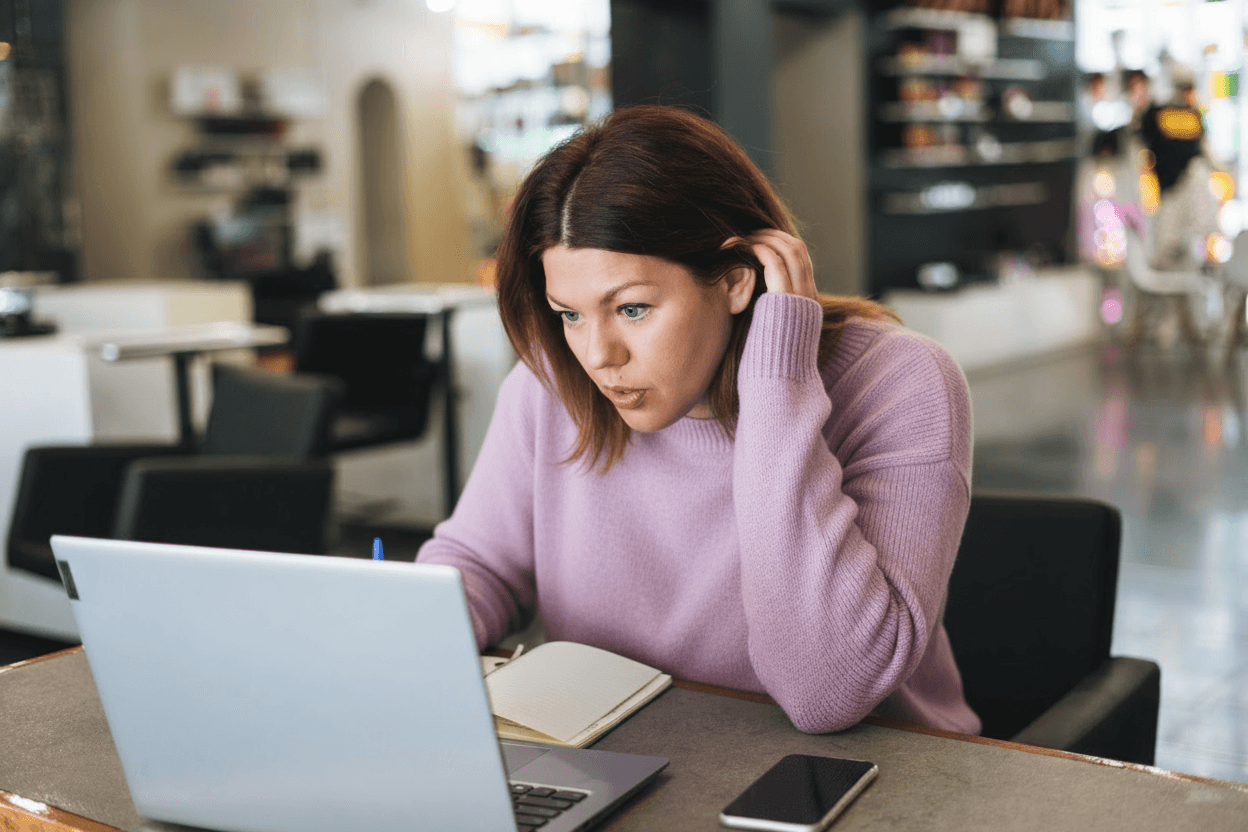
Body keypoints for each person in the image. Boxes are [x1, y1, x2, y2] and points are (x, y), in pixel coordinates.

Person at [416, 105, 981, 735]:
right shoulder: (549, 389)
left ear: (738, 281)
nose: (599, 356)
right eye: (569, 314)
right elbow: (482, 565)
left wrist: (776, 385)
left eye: (631, 309)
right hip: (628, 760)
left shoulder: (899, 382)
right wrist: (407, 630)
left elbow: (830, 688)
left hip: (875, 781)